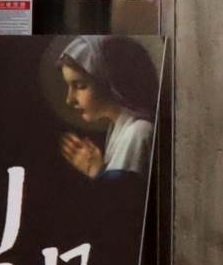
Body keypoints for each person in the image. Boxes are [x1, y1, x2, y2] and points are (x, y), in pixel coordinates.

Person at [55, 34, 159, 180]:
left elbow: (122, 192)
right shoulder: (117, 128)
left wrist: (97, 171)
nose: (69, 99)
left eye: (80, 85)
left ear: (109, 83)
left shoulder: (138, 132)